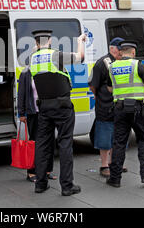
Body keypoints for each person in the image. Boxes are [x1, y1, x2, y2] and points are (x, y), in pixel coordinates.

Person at [30, 29, 86, 196]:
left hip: (44, 108)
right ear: (51, 41)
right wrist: (79, 41)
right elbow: (80, 57)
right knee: (65, 144)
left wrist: (37, 48)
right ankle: (67, 186)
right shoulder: (56, 55)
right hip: (62, 107)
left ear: (36, 43)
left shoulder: (32, 58)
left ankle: (40, 183)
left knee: (42, 145)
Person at [106, 40, 144, 188]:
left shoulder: (112, 67)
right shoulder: (138, 65)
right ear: (133, 52)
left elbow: (109, 89)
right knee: (143, 140)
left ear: (121, 52)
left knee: (119, 143)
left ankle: (115, 179)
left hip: (120, 109)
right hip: (138, 109)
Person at [88, 37, 127, 178]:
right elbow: (93, 84)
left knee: (119, 135)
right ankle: (104, 165)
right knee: (105, 136)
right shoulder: (102, 63)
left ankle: (115, 163)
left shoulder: (123, 62)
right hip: (105, 106)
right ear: (112, 48)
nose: (121, 51)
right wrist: (100, 97)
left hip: (120, 105)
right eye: (119, 48)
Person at [17, 65, 57, 182]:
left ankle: (47, 170)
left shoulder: (48, 69)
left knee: (50, 141)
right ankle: (32, 172)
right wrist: (22, 113)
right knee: (34, 142)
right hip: (33, 113)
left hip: (48, 111)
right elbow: (21, 93)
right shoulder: (26, 73)